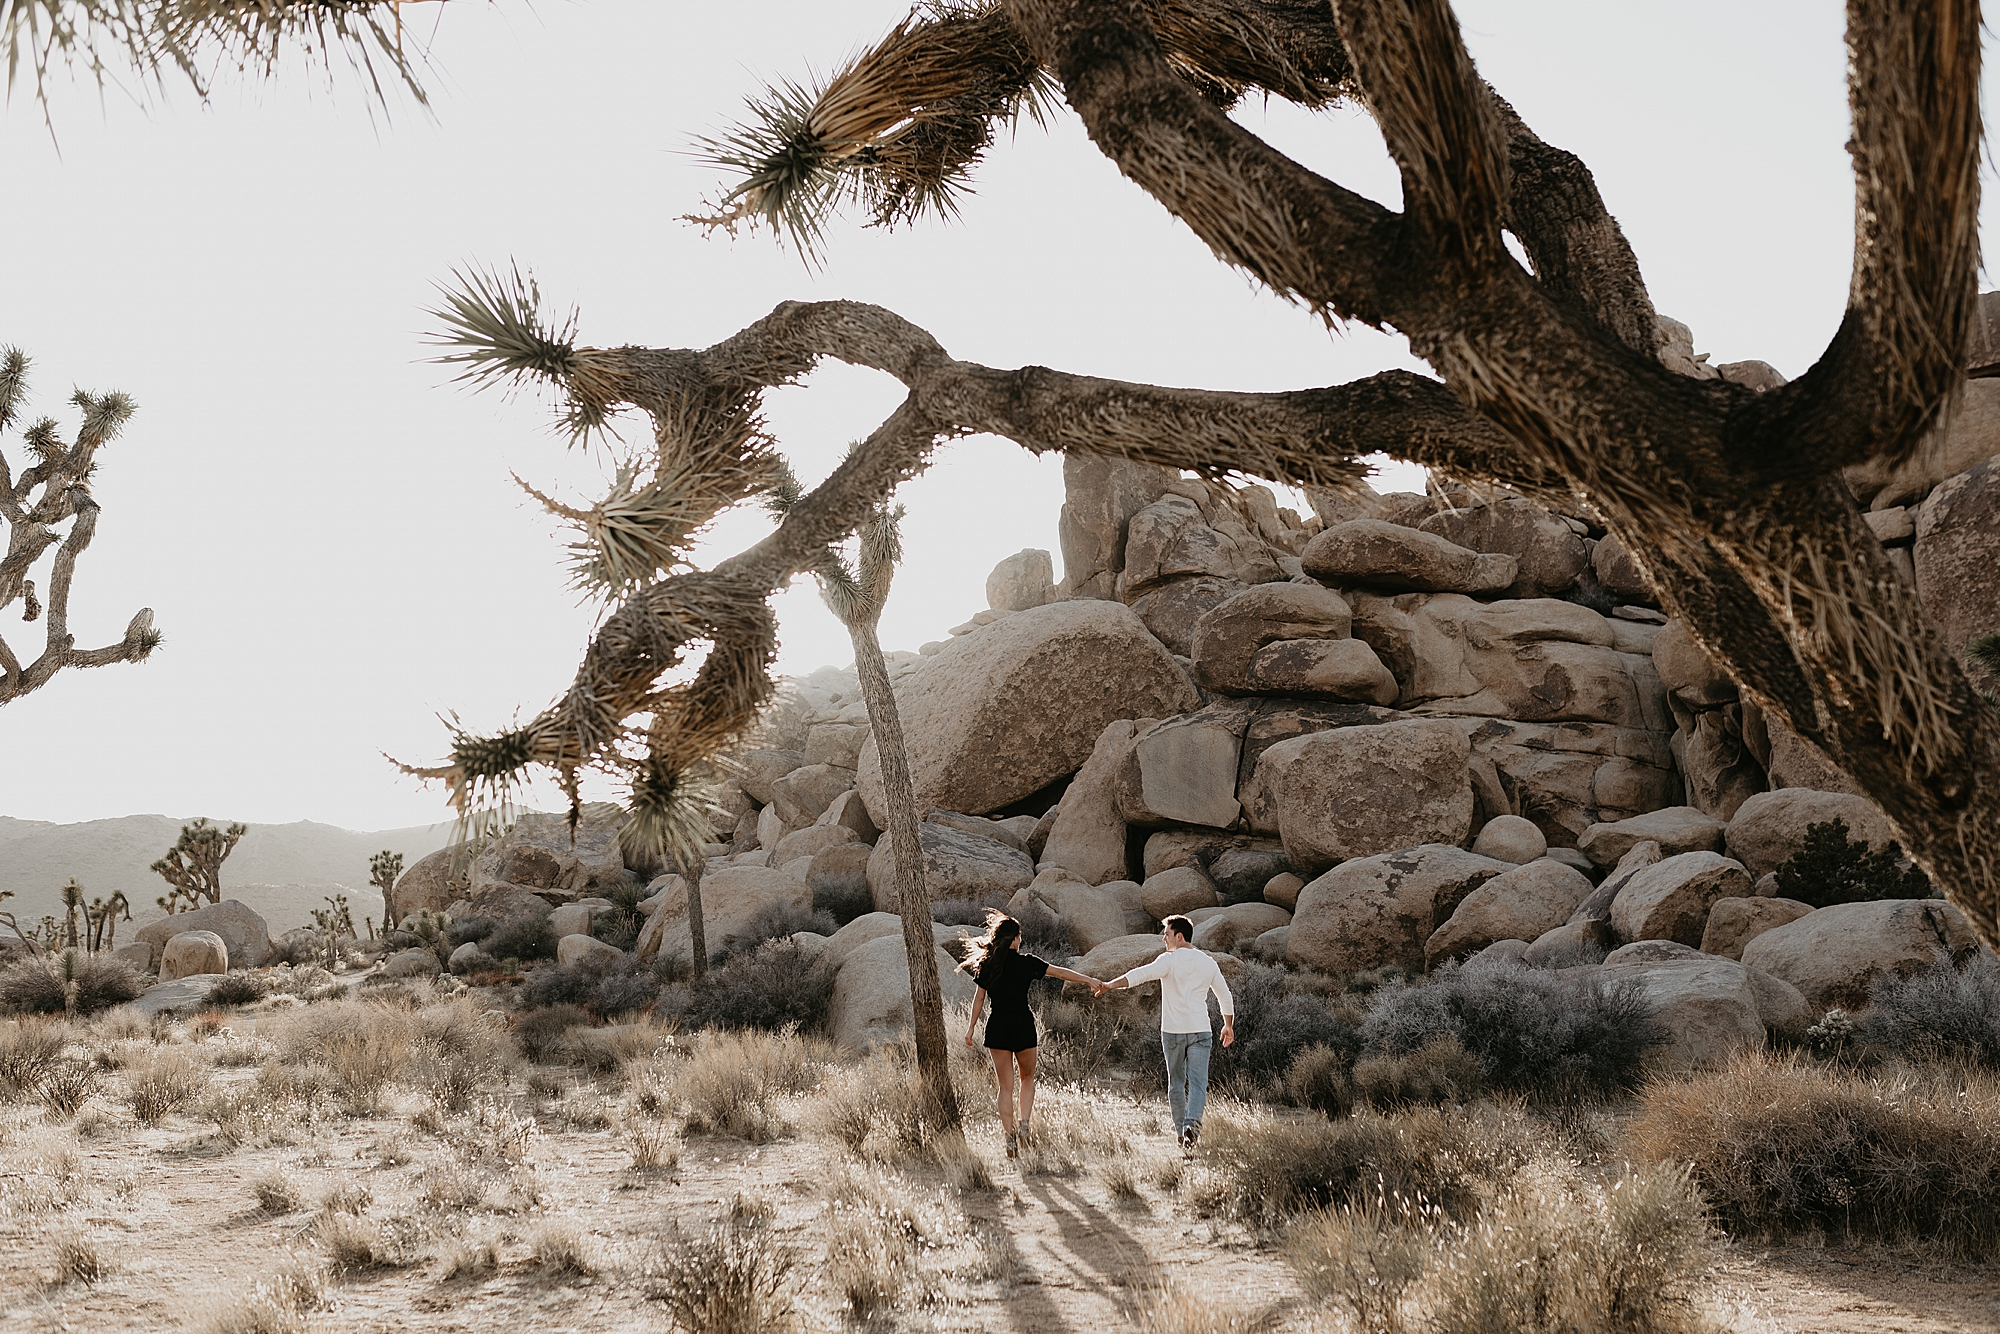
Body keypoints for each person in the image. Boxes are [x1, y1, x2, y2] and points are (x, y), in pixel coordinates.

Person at [961, 910, 1101, 1158]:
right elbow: (1060, 972)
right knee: (1027, 1078)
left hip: (998, 1026)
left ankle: (1010, 1139)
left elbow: (979, 998)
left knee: (1005, 1088)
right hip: (1023, 1024)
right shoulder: (1027, 963)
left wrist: (971, 1027)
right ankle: (1024, 1125)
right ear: (1015, 939)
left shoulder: (988, 964)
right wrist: (1089, 979)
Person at [1093, 914, 1235, 1150]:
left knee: (1176, 1084)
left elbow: (1140, 974)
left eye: (1166, 934)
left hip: (1173, 1032)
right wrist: (1228, 1025)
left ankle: (1182, 1133)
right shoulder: (1208, 962)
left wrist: (1110, 985)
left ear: (1179, 937)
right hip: (1201, 1031)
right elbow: (1225, 996)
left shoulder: (1169, 960)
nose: (1163, 939)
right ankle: (1192, 1126)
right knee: (1199, 1084)